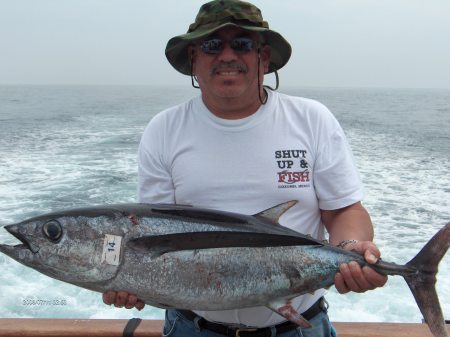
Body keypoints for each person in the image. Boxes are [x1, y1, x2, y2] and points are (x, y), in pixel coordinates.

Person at [103, 0, 387, 336]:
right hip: (193, 327)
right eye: (211, 45)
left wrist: (350, 249)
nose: (227, 56)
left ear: (264, 59)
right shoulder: (163, 130)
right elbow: (155, 234)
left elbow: (343, 210)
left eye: (242, 44)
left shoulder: (312, 120)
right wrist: (125, 278)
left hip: (298, 327)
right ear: (194, 60)